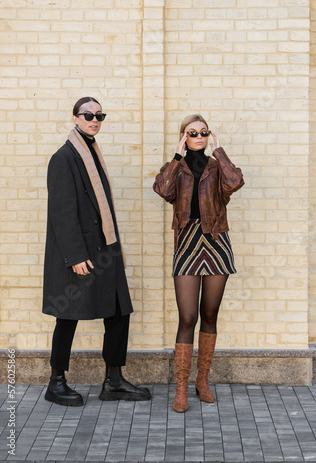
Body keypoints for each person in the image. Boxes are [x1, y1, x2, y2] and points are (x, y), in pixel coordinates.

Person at [42, 96, 151, 406]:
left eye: (99, 115)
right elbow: (62, 213)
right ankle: (56, 381)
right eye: (88, 114)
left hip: (106, 248)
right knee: (67, 315)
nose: (94, 119)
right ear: (75, 118)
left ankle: (113, 381)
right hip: (82, 252)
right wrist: (75, 256)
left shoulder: (91, 152)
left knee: (119, 311)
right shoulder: (64, 158)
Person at [153, 114, 244, 413]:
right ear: (184, 137)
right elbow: (162, 190)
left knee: (209, 314)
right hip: (188, 242)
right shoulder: (176, 169)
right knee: (188, 317)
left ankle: (201, 381)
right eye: (192, 133)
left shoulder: (218, 167)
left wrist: (220, 150)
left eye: (203, 132)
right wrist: (177, 156)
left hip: (216, 241)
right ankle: (181, 386)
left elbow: (235, 182)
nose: (198, 137)